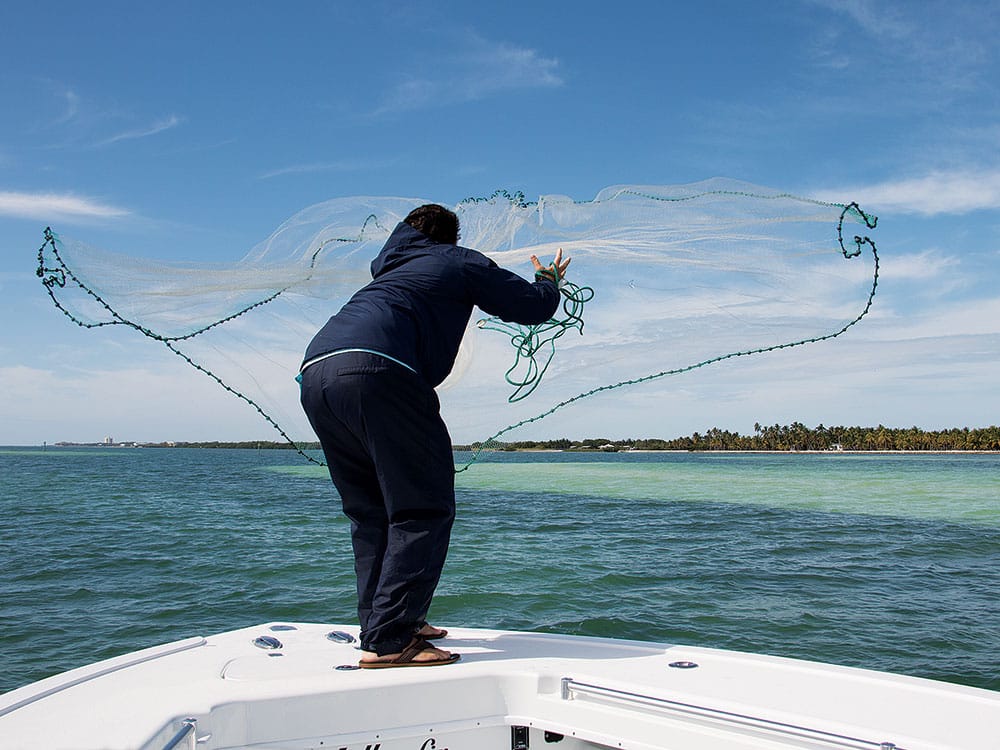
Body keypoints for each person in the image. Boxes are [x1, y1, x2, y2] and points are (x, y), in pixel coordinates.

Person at [299, 203, 570, 668]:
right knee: (422, 508)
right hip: (381, 371)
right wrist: (548, 281)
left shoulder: (388, 273)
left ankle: (386, 624)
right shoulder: (455, 259)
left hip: (315, 374)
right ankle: (391, 639)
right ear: (450, 236)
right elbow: (530, 306)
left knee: (371, 514)